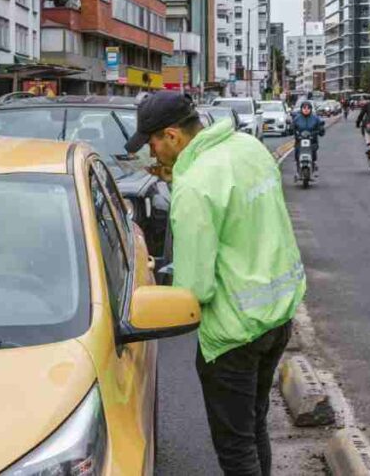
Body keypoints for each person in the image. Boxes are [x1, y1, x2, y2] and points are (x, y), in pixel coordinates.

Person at [124, 92, 305, 476]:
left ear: (172, 136)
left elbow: (196, 291)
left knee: (236, 448)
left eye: (153, 142)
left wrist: (162, 285)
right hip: (277, 316)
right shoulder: (248, 148)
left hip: (232, 334)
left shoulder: (195, 186)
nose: (152, 154)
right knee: (254, 425)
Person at [292, 101, 325, 178]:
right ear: (301, 109)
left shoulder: (315, 118)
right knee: (297, 152)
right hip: (299, 141)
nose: (306, 110)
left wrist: (321, 129)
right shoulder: (297, 119)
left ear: (310, 109)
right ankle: (297, 170)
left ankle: (314, 165)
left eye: (308, 108)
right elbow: (292, 127)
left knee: (313, 151)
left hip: (312, 141)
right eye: (304, 108)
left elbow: (320, 128)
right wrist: (292, 130)